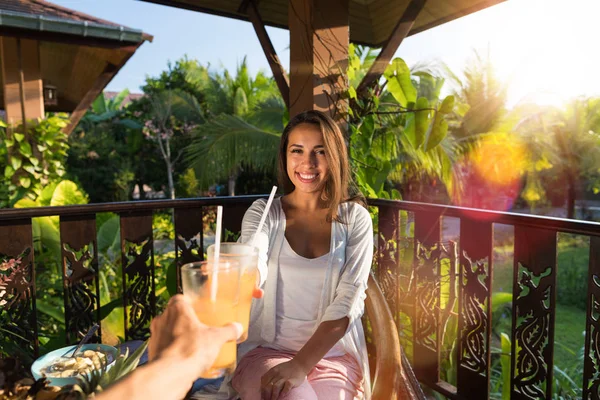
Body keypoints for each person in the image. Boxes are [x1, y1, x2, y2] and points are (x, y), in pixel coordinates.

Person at [231, 110, 373, 400]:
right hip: (266, 352)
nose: (307, 163)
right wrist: (244, 277)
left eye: (319, 152)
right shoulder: (265, 212)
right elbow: (253, 256)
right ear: (285, 156)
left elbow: (349, 299)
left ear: (335, 158)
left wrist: (300, 365)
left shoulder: (355, 219)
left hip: (332, 356)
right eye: (298, 151)